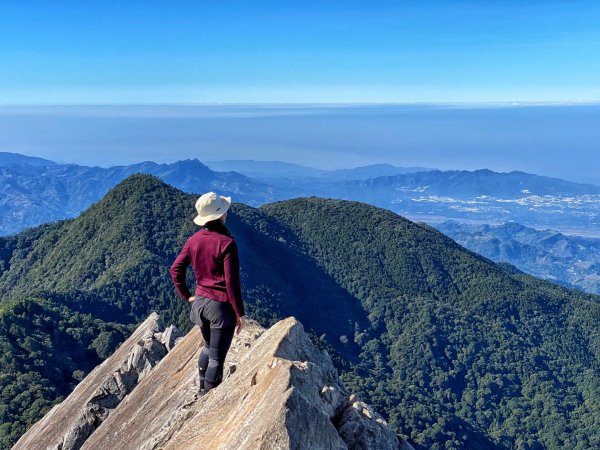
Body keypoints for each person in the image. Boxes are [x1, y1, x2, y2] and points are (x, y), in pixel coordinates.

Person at [170, 192, 245, 394]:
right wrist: (239, 313)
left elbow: (175, 269)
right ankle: (207, 396)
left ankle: (202, 386)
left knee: (207, 347)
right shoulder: (226, 243)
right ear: (220, 215)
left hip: (200, 305)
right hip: (220, 308)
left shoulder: (194, 240)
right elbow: (231, 281)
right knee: (216, 358)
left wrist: (186, 296)